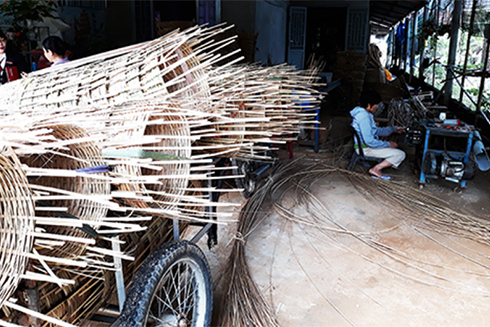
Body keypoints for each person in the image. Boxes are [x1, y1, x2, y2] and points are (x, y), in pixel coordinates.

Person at [350, 91, 406, 180]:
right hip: (365, 148)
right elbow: (369, 141)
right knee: (400, 154)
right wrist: (388, 144)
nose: (378, 106)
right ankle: (375, 169)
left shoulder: (363, 113)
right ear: (369, 105)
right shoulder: (364, 117)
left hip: (364, 146)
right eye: (376, 104)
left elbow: (376, 131)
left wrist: (393, 129)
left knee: (393, 149)